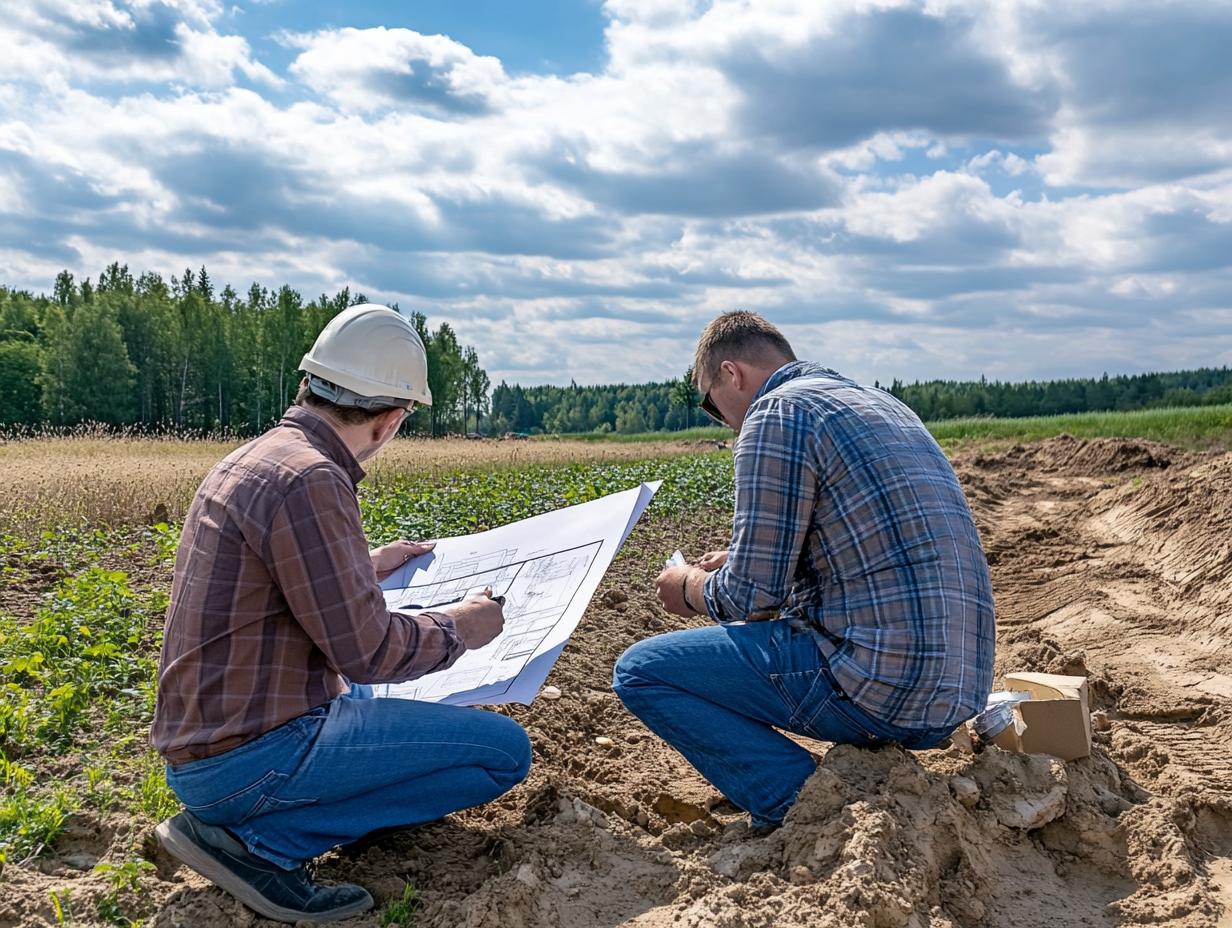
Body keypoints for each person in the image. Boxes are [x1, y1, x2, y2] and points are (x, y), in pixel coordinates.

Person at [151, 304, 531, 923]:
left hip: (206, 748)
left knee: (368, 700)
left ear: (312, 382)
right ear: (387, 422)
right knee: (502, 752)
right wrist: (462, 625)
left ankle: (299, 810)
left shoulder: (259, 458)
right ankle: (264, 845)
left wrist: (366, 563)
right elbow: (370, 651)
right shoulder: (312, 479)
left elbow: (276, 586)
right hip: (247, 761)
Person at [612, 311, 993, 831]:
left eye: (709, 402)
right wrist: (756, 563)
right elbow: (856, 556)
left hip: (885, 688)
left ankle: (800, 802)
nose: (720, 418)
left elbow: (749, 597)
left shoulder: (775, 414)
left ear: (731, 374)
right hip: (956, 692)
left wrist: (691, 588)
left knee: (642, 671)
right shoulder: (885, 406)